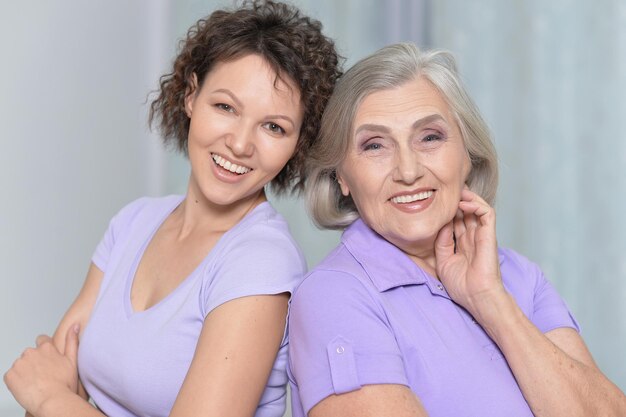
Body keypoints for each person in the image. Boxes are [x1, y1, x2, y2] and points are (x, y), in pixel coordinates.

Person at [3, 1, 341, 416]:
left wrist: (50, 398)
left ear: (297, 145)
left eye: (274, 127)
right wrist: (51, 397)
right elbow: (54, 373)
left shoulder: (261, 260)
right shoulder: (133, 222)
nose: (240, 144)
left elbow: (46, 390)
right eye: (225, 107)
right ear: (190, 97)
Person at [287, 43, 626, 417]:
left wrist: (491, 301)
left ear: (468, 154)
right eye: (374, 145)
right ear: (342, 177)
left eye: (429, 137)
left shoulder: (518, 277)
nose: (408, 170)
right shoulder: (334, 295)